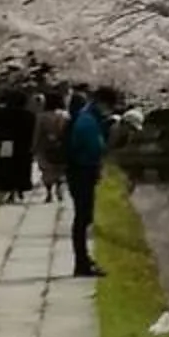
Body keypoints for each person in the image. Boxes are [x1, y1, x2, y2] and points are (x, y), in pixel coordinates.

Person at [64, 86, 109, 278]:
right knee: (82, 218)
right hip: (81, 171)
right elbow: (95, 147)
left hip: (80, 170)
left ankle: (83, 260)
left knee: (84, 217)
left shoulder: (86, 117)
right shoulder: (87, 120)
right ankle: (81, 263)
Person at [0, 87, 36, 203]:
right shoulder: (29, 115)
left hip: (6, 143)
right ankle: (19, 187)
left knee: (6, 165)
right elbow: (32, 131)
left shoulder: (2, 113)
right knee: (21, 166)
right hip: (23, 145)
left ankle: (7, 188)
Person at [35, 94, 70, 203]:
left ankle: (49, 193)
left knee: (46, 170)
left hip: (45, 146)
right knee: (60, 168)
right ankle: (60, 187)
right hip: (62, 145)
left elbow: (37, 133)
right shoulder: (66, 115)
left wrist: (34, 146)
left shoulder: (42, 116)